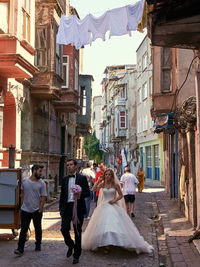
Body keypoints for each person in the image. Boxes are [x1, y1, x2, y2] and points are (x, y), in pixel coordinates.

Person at [82, 169, 153, 254]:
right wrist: (98, 180)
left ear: (112, 176)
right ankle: (104, 242)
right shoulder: (103, 184)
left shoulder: (115, 185)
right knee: (102, 225)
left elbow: (121, 195)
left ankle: (109, 244)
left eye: (109, 175)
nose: (107, 176)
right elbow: (93, 189)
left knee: (112, 224)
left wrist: (114, 200)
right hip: (103, 206)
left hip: (112, 205)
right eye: (106, 174)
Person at [59, 159, 90, 265]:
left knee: (77, 231)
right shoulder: (64, 179)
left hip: (78, 207)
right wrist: (61, 209)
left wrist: (80, 194)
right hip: (67, 207)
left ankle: (76, 255)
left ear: (76, 166)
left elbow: (87, 193)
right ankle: (70, 244)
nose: (69, 167)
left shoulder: (82, 178)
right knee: (64, 229)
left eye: (71, 165)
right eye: (67, 165)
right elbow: (62, 195)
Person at [14, 165, 47, 256]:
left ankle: (38, 244)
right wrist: (21, 206)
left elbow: (44, 197)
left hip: (36, 210)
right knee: (23, 229)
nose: (41, 173)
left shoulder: (42, 183)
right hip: (25, 210)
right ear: (34, 171)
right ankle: (20, 248)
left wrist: (40, 209)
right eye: (40, 171)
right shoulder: (24, 181)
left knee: (38, 228)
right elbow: (22, 194)